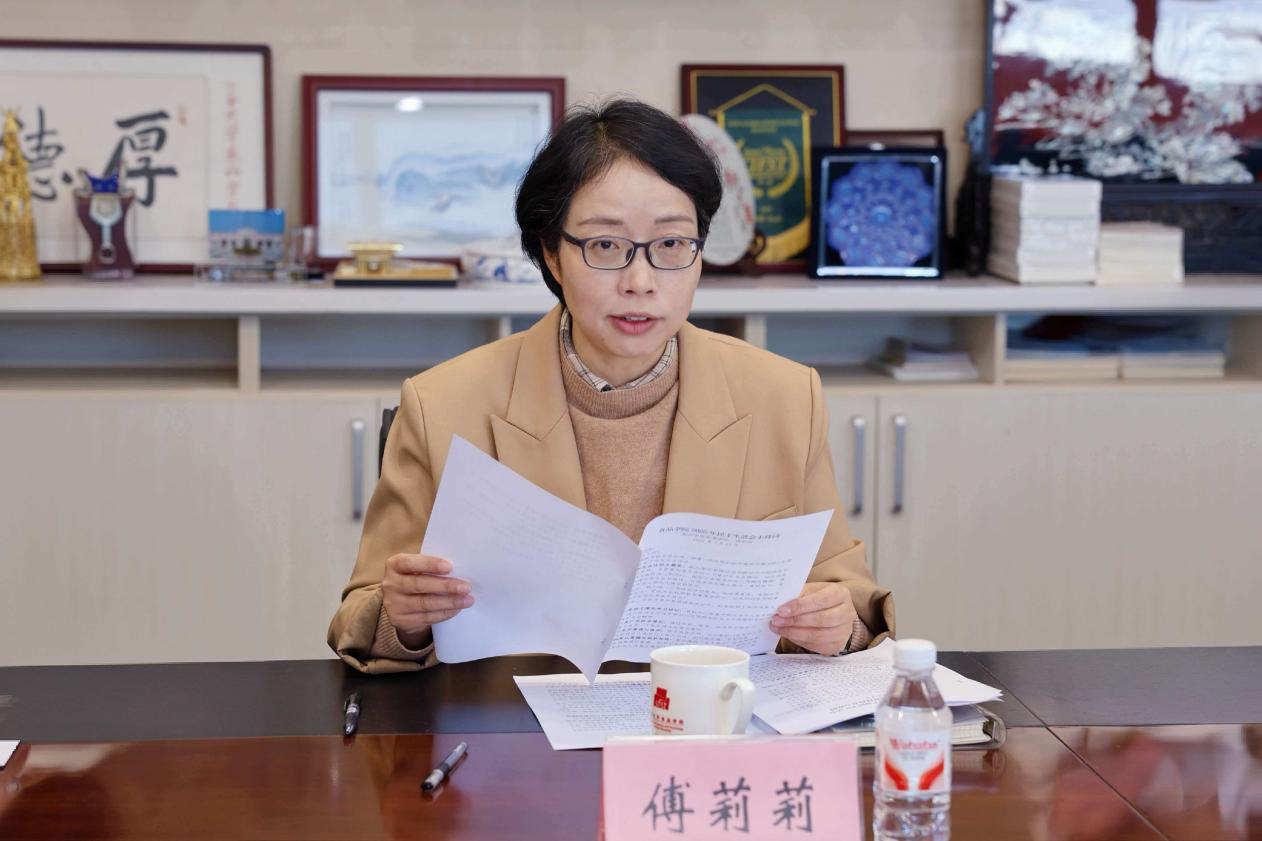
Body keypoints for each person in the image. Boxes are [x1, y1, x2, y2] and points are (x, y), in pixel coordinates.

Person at [328, 98, 894, 673]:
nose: (640, 282)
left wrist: (835, 623)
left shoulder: (784, 398)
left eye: (671, 244)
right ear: (552, 254)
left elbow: (848, 598)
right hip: (515, 717)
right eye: (605, 246)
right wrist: (405, 616)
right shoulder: (442, 406)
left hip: (710, 717)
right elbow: (363, 619)